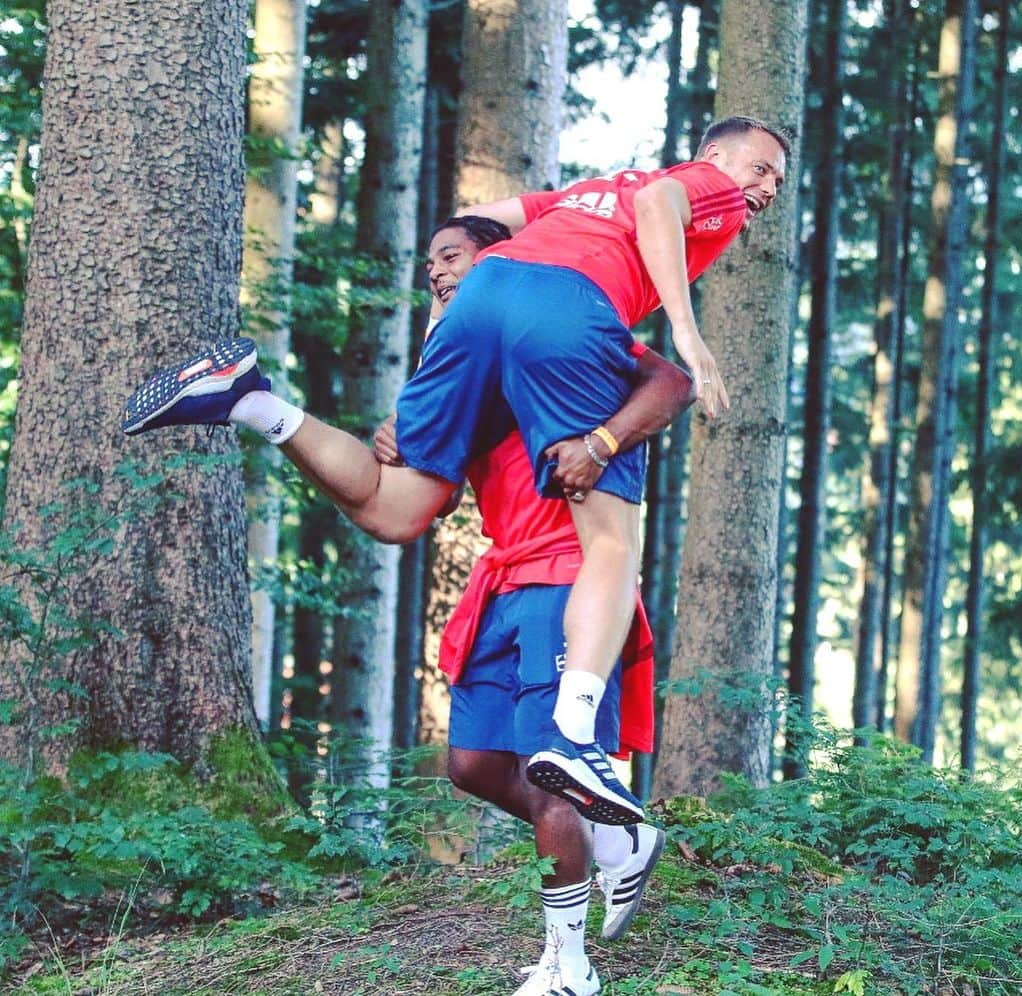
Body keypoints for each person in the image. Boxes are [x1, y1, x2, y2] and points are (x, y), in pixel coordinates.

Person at [123, 115, 789, 830]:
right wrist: (688, 335)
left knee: (395, 509)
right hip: (567, 309)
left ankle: (252, 401)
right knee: (612, 546)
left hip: (483, 305)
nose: (767, 188)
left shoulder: (584, 196)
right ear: (715, 157)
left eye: (777, 180)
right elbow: (662, 207)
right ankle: (576, 739)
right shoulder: (703, 191)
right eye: (760, 169)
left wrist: (460, 291)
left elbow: (478, 220)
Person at [377, 216, 686, 995]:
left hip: (570, 573)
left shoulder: (557, 323)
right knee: (474, 765)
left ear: (503, 262)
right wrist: (401, 438)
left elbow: (672, 382)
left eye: (453, 257)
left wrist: (605, 442)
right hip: (504, 576)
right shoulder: (455, 353)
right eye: (430, 265)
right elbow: (429, 484)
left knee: (552, 773)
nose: (439, 274)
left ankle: (569, 965)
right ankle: (616, 840)